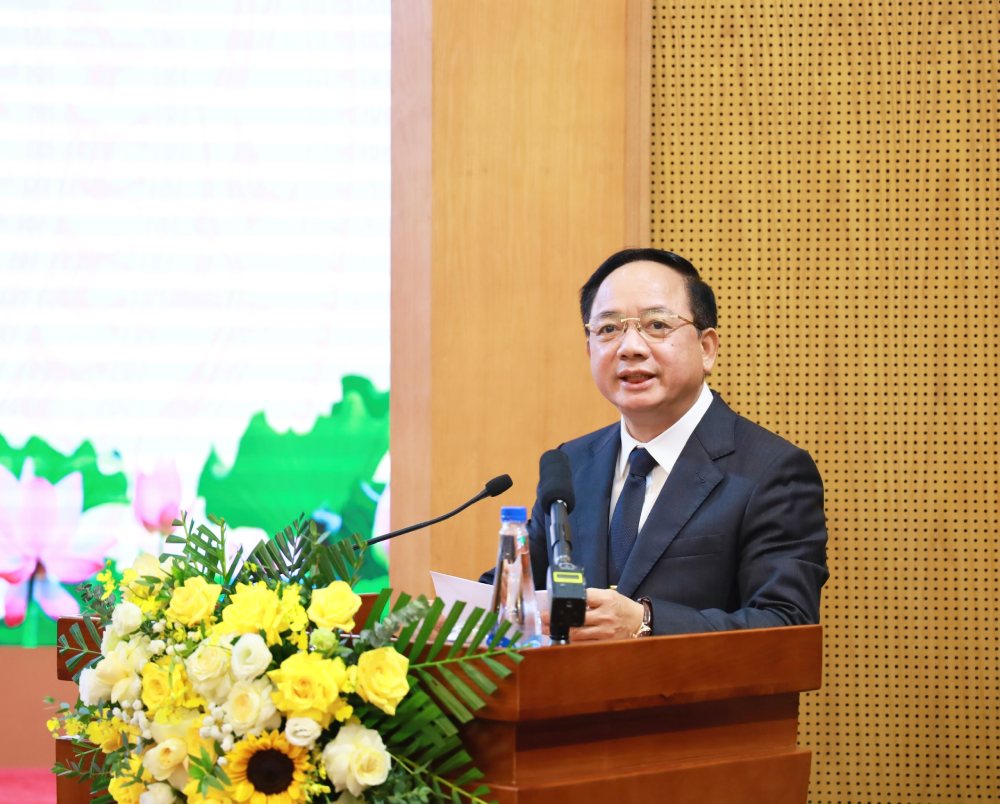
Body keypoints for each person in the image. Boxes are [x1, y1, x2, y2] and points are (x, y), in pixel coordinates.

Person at [484, 248, 828, 640]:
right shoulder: (572, 464)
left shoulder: (771, 471)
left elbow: (787, 626)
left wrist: (645, 623)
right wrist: (459, 618)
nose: (630, 347)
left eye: (657, 325)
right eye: (609, 329)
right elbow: (519, 590)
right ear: (589, 349)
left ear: (707, 348)